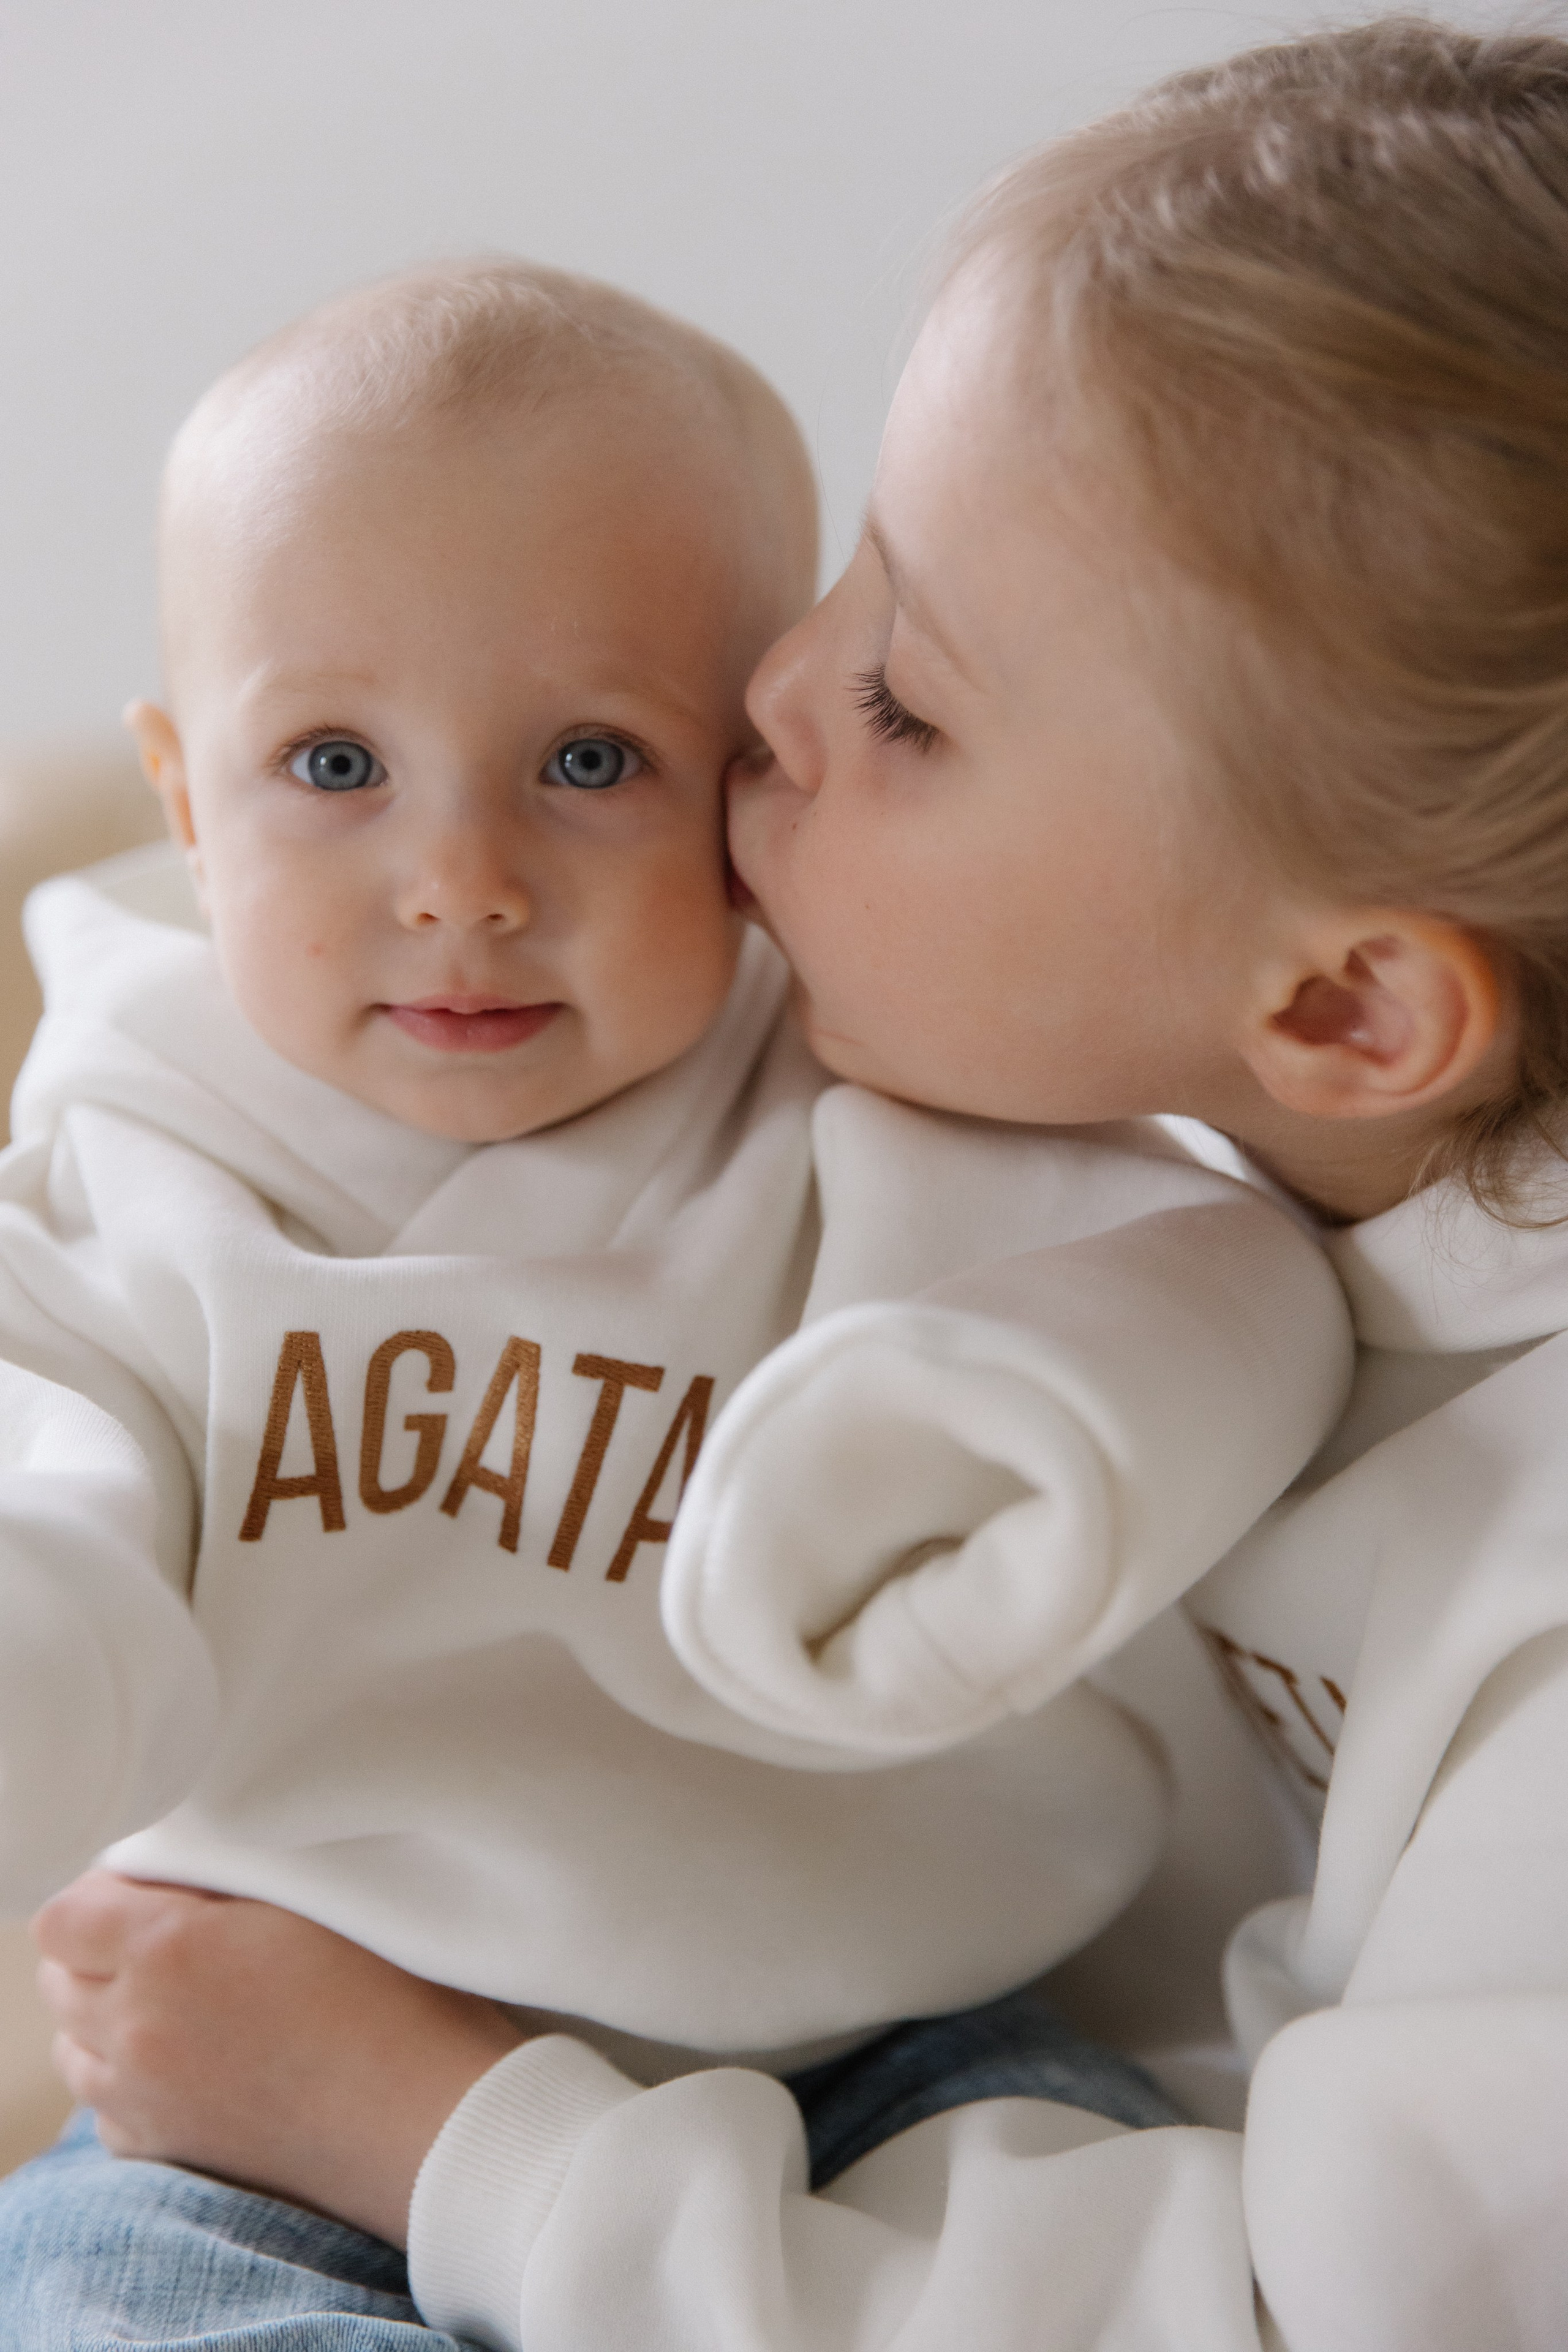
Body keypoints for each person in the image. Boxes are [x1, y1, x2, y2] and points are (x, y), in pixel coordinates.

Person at [31, 18, 1568, 2350]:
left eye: (911, 701)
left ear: (1351, 1014)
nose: (765, 695)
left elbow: (1304, 2311)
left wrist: (439, 2128)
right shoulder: (1246, 1148)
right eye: (846, 580)